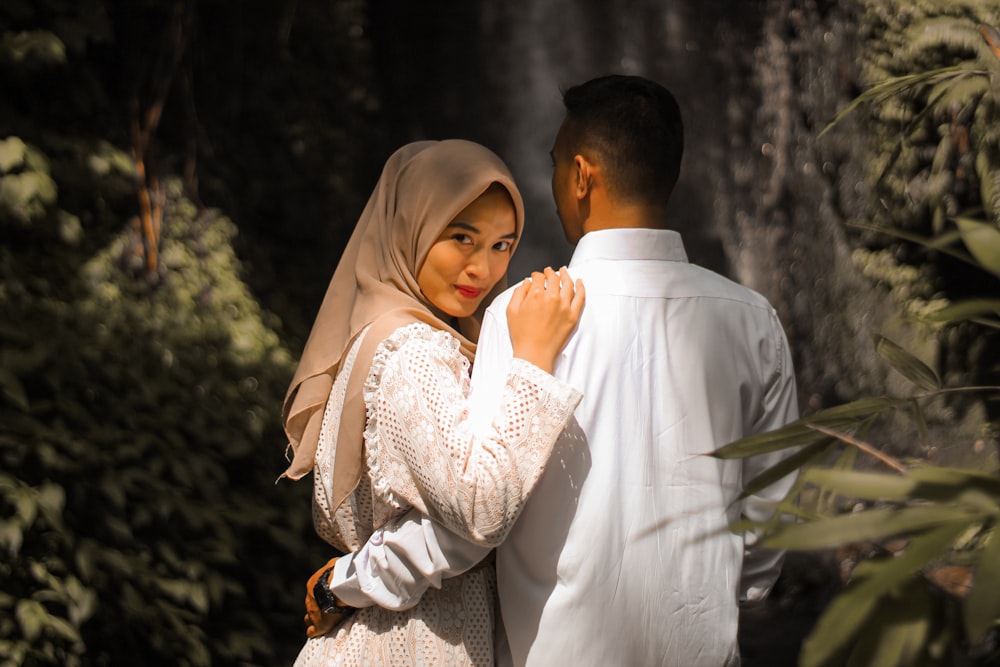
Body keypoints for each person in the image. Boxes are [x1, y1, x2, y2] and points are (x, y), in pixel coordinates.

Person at [325, 75, 801, 666]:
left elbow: (471, 525)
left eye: (553, 165)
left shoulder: (522, 315)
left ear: (580, 176)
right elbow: (768, 525)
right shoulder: (754, 322)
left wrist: (347, 582)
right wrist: (710, 594)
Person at [281, 138, 585, 666]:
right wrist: (535, 358)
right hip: (410, 643)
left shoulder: (399, 331)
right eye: (461, 237)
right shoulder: (413, 350)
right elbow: (480, 511)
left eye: (502, 245)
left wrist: (344, 586)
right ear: (411, 229)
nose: (482, 269)